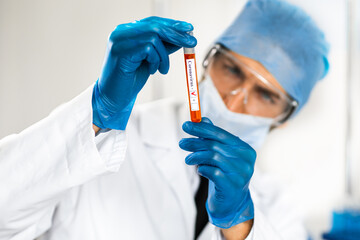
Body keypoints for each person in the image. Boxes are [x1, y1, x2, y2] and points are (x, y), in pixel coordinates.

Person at [0, 0, 329, 239]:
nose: (234, 99)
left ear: (286, 117)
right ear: (204, 61)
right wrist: (97, 116)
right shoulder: (100, 140)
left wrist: (239, 226)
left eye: (266, 95)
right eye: (231, 69)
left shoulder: (277, 207)